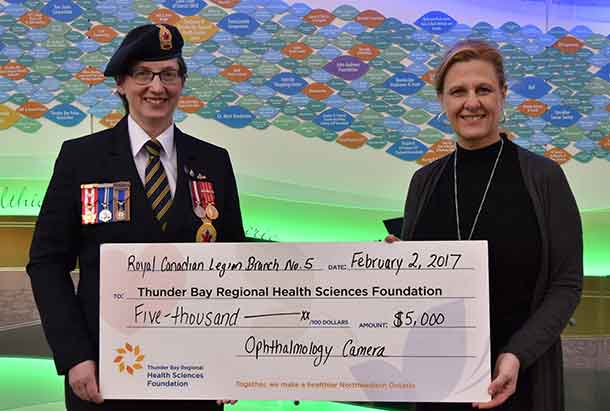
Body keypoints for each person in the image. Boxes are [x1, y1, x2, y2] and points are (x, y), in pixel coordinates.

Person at [27, 24, 244, 410]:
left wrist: (231, 360)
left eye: (169, 74)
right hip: (104, 374)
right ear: (121, 84)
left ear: (182, 83)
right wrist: (75, 355)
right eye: (143, 74)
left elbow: (235, 264)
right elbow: (47, 263)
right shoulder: (81, 159)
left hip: (193, 375)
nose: (156, 87)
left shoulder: (214, 162)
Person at [387, 40, 583, 411]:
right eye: (458, 92)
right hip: (439, 387)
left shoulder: (544, 178)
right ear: (443, 102)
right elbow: (419, 287)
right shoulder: (424, 182)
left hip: (519, 381)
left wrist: (517, 354)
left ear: (503, 95)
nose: (471, 102)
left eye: (484, 90)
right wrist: (395, 266)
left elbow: (566, 284)